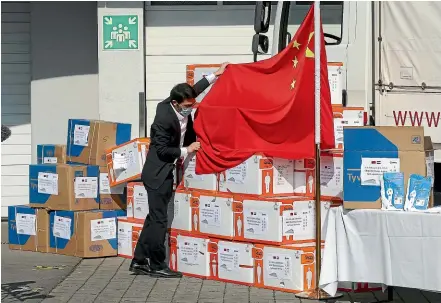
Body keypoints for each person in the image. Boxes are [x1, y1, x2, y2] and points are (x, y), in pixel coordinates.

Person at [130, 62, 229, 278]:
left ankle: (138, 261)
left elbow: (194, 90)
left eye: (192, 104)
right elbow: (163, 150)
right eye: (187, 105)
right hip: (157, 174)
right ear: (175, 103)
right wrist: (187, 149)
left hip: (164, 173)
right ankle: (157, 265)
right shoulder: (163, 119)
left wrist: (216, 75)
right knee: (159, 221)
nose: (190, 107)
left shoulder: (178, 101)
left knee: (153, 218)